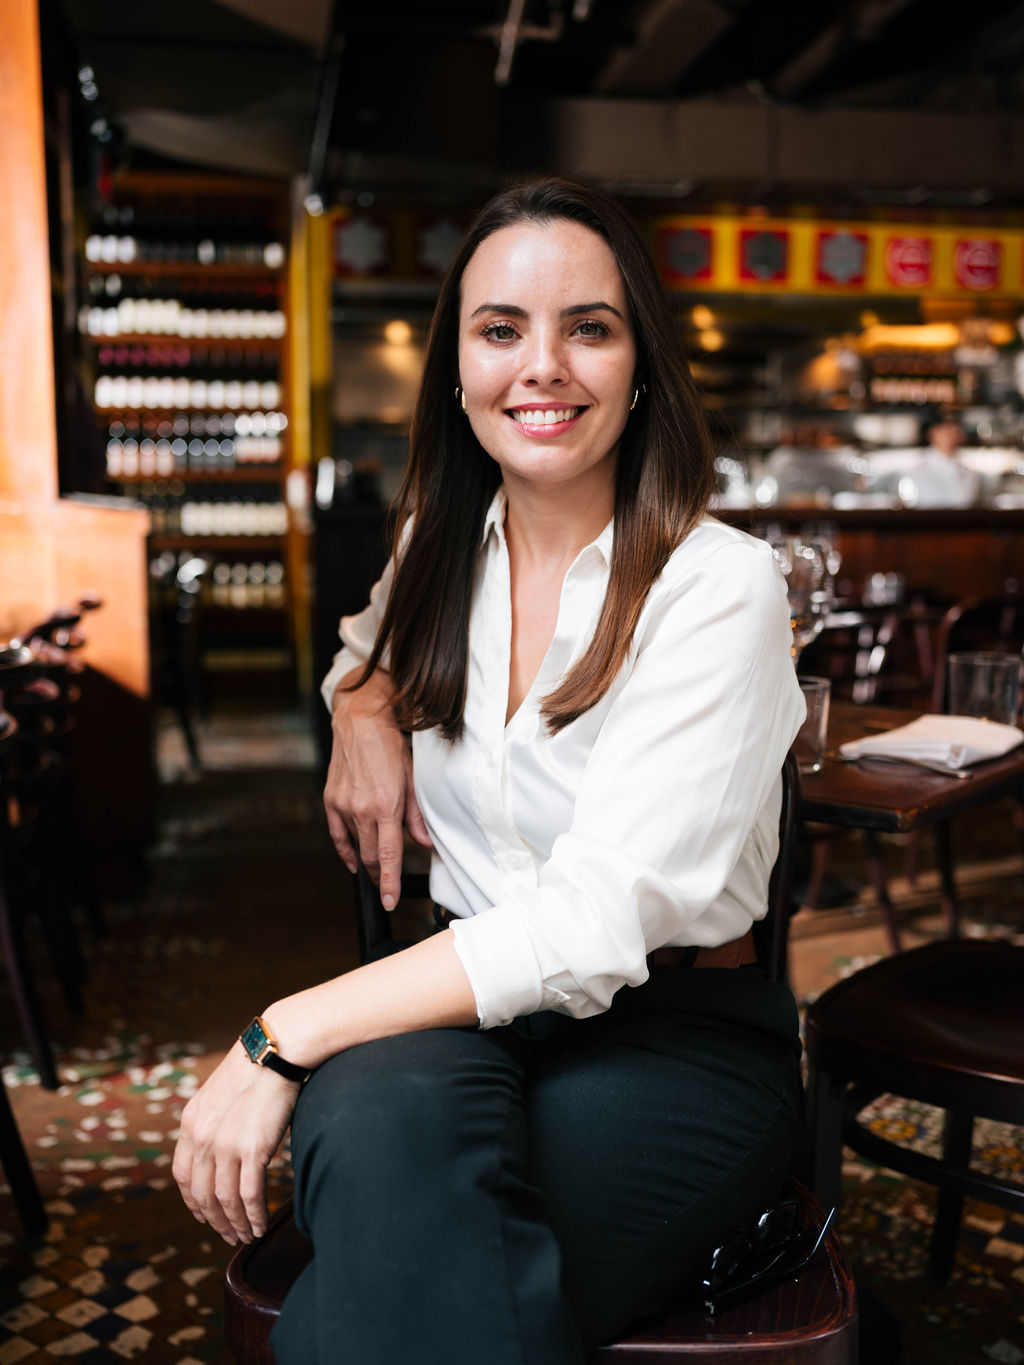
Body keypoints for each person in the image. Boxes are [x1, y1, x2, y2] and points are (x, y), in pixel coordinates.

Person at [173, 177, 805, 1364]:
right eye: (502, 329)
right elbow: (362, 654)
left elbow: (599, 917)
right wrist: (360, 705)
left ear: (641, 362)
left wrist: (277, 1034)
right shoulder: (432, 549)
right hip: (458, 1012)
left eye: (591, 328)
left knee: (397, 1239)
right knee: (380, 1156)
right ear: (457, 368)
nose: (543, 366)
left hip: (671, 1027)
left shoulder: (720, 584)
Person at [901, 413, 979, 508]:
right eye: (944, 430)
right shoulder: (916, 469)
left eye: (954, 431)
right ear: (931, 433)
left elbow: (967, 501)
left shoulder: (968, 471)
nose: (949, 435)